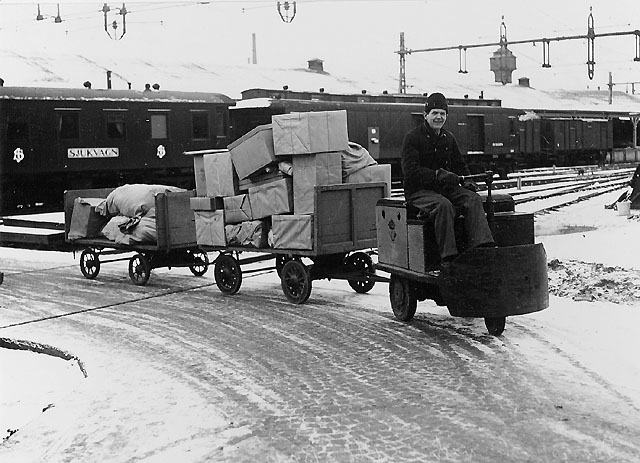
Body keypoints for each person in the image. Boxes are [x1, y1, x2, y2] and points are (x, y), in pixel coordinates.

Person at [401, 92, 495, 267]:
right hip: (418, 192)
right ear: (425, 115)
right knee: (443, 206)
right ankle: (448, 257)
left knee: (473, 199)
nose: (439, 117)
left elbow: (460, 165)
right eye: (435, 113)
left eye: (442, 114)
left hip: (444, 188)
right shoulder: (412, 138)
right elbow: (410, 171)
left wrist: (468, 182)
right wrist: (437, 175)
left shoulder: (448, 138)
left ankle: (481, 247)